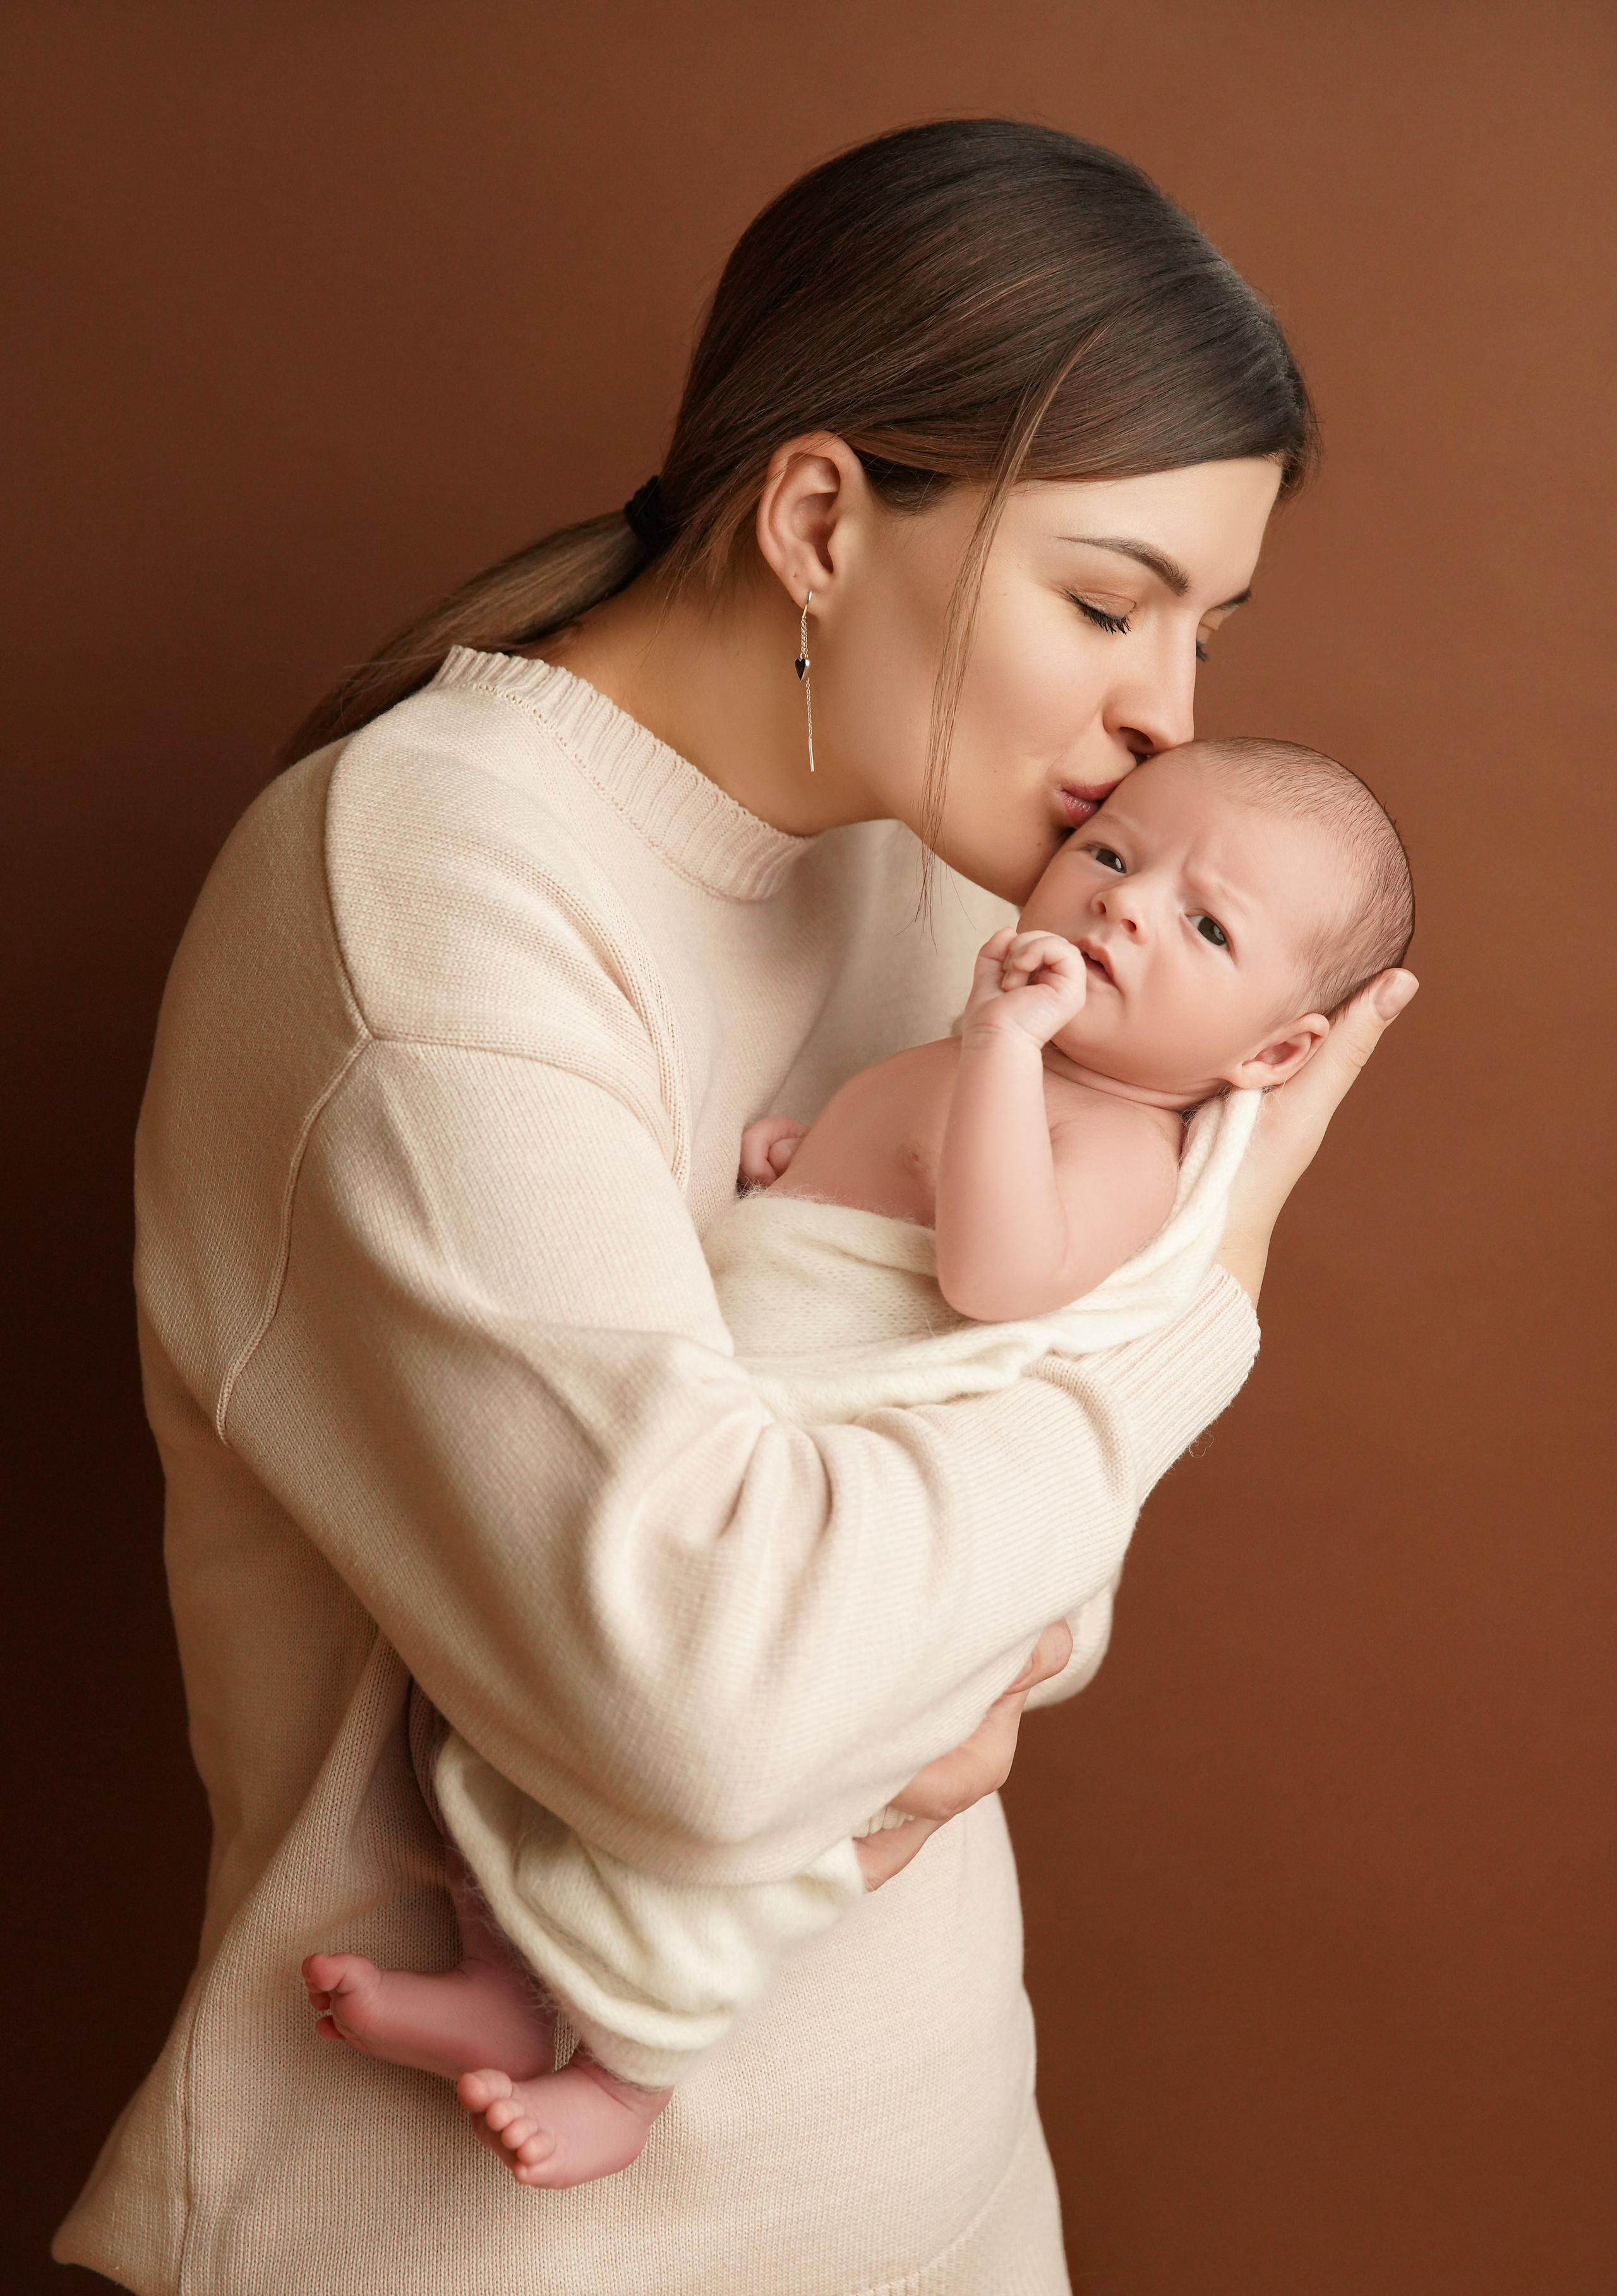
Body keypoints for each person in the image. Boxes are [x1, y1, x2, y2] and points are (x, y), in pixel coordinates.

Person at [57, 120, 1416, 2296]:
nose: (1172, 716)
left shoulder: (949, 870)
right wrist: (1205, 1295)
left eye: (1210, 624)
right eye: (1110, 601)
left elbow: (1011, 1608)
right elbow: (718, 1721)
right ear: (815, 523)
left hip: (945, 2253)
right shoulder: (424, 902)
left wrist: (926, 1686)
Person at [298, 736, 1415, 2192]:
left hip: (836, 1501)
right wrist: (796, 1158)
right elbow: (874, 1177)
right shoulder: (993, 1030)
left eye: (1205, 927)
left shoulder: (1120, 1141)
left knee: (713, 1867)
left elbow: (1000, 1273)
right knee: (497, 1727)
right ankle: (503, 1984)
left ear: (1269, 1056)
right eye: (1114, 857)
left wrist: (1002, 1056)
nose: (1126, 909)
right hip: (730, 1426)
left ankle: (629, 2079)